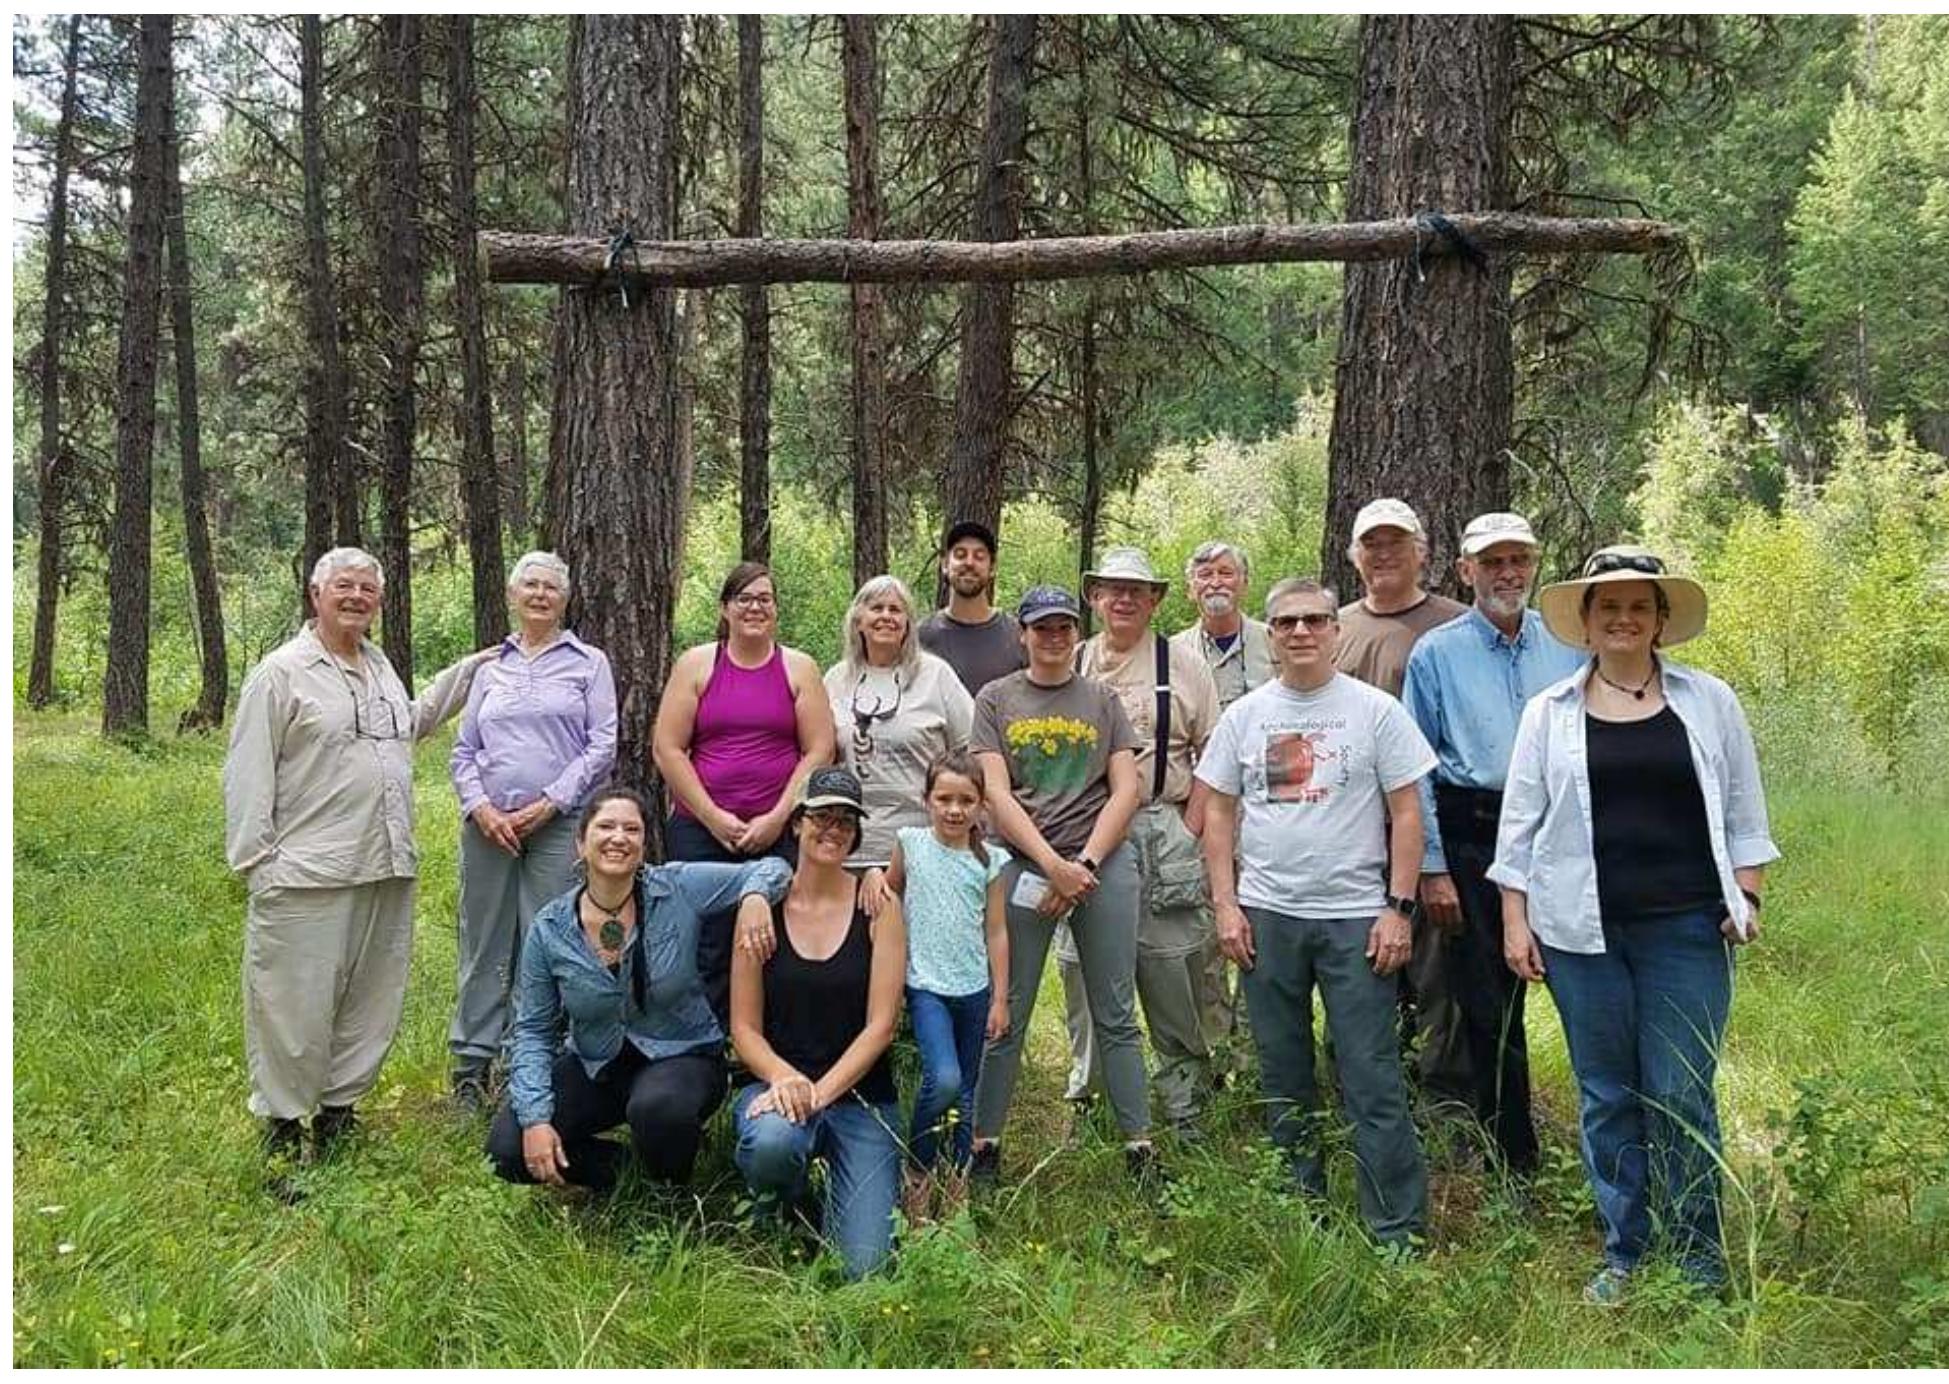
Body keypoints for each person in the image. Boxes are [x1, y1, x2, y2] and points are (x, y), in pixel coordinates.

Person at [1491, 545, 1778, 1303]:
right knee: (1607, 1093)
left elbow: (1746, 809)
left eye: (1638, 606)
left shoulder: (1709, 700)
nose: (1623, 618)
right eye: (1607, 606)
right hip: (1578, 933)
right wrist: (1515, 922)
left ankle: (1696, 1260)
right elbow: (1517, 829)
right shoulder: (1546, 714)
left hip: (1687, 928)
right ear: (1584, 622)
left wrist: (1745, 895)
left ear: (1659, 620)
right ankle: (1626, 1252)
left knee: (1680, 1091)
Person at [223, 546, 493, 1188]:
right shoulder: (282, 674)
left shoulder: (379, 669)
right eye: (343, 586)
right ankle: (285, 1130)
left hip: (384, 863)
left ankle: (340, 1114)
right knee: (292, 1002)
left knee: (371, 999)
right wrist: (258, 862)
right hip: (306, 871)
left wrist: (475, 669)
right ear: (315, 594)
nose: (356, 597)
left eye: (368, 589)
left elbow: (408, 727)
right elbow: (248, 772)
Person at [1196, 577, 1436, 1248]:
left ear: (1335, 630)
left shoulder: (1373, 712)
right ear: (1268, 636)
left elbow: (1407, 811)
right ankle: (1300, 1214)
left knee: (1370, 1075)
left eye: (1313, 621)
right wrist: (1225, 905)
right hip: (1267, 916)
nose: (1300, 632)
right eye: (1285, 623)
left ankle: (1394, 1228)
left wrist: (1398, 908)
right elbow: (1216, 810)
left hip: (1357, 917)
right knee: (1282, 1073)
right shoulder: (1246, 716)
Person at [486, 787, 791, 1193]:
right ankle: (627, 1176)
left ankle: (672, 1186)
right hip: (597, 1062)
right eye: (606, 826)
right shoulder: (550, 928)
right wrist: (537, 1119)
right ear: (581, 842)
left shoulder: (678, 887)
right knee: (507, 1148)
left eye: (632, 829)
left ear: (644, 846)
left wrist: (754, 896)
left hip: (683, 1055)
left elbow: (775, 867)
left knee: (658, 1109)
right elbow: (535, 1031)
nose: (619, 837)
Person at [1400, 513, 1583, 1176]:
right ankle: (1512, 1156)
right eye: (1492, 561)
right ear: (1464, 570)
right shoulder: (1435, 655)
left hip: (1559, 836)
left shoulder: (1568, 645)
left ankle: (1604, 1145)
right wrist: (1432, 868)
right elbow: (1415, 768)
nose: (1507, 573)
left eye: (1519, 560)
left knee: (1581, 987)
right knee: (1485, 1004)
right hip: (1470, 830)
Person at [968, 586, 1161, 1185]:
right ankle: (984, 1147)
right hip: (1025, 865)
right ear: (1022, 635)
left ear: (1076, 634)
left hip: (1100, 866)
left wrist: (1086, 867)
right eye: (1041, 628)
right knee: (1009, 1009)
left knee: (1116, 1011)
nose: (1053, 638)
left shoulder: (1102, 699)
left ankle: (1139, 1148)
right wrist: (1052, 865)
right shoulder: (996, 699)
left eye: (1064, 628)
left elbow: (1126, 788)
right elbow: (995, 792)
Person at [448, 551, 618, 1111]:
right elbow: (464, 750)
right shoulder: (489, 668)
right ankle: (472, 1065)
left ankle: (530, 1060)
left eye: (551, 587)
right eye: (530, 586)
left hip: (558, 824)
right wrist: (481, 807)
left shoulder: (588, 663)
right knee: (484, 941)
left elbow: (602, 744)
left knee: (548, 942)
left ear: (565, 599)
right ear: (513, 596)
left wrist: (551, 803)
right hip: (488, 827)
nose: (540, 595)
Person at [1060, 546, 1221, 1139]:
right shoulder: (1073, 661)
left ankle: (1186, 1109)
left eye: (1136, 590)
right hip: (1083, 833)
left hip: (1161, 826)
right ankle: (1093, 1107)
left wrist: (1191, 826)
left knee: (1171, 967)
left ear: (1154, 599)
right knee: (1084, 972)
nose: (1123, 599)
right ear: (1095, 597)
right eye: (1111, 589)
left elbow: (1216, 756)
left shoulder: (1182, 665)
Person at [729, 768, 907, 1280]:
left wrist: (819, 1093)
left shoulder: (878, 907)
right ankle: (785, 1207)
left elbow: (881, 1026)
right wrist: (787, 1082)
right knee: (772, 1145)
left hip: (863, 1100)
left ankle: (844, 1195)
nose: (833, 830)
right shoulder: (760, 910)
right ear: (797, 824)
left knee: (866, 1270)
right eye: (821, 817)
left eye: (846, 821)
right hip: (777, 1090)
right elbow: (744, 1028)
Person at [1335, 497, 1472, 1127]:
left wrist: (1437, 857)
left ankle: (1446, 1109)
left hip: (1433, 828)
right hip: (1349, 837)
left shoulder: (1455, 626)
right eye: (1373, 545)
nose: (1384, 554)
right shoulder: (1331, 629)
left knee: (1439, 977)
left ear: (1424, 553)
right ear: (1354, 556)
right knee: (1362, 971)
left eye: (1397, 543)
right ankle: (1361, 1100)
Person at [652, 561, 836, 1025]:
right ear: (725, 609)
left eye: (764, 599)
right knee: (706, 938)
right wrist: (713, 816)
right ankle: (704, 1044)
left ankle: (766, 1041)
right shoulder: (696, 664)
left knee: (776, 933)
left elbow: (819, 750)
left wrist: (777, 817)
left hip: (778, 829)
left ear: (775, 609)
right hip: (701, 829)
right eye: (744, 599)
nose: (755, 607)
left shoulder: (798, 668)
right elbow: (668, 748)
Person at [875, 751, 1010, 1215]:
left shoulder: (989, 860)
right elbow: (889, 890)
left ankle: (955, 1183)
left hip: (972, 989)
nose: (955, 810)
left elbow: (996, 930)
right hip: (926, 985)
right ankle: (918, 1166)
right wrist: (874, 878)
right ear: (927, 800)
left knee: (967, 1090)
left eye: (966, 800)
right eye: (944, 798)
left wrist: (999, 998)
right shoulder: (910, 843)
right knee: (945, 1078)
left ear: (981, 806)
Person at [1172, 539, 1277, 1071]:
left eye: (1226, 573)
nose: (1216, 583)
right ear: (1191, 588)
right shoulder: (1172, 653)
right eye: (1205, 575)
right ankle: (1215, 1054)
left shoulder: (1276, 642)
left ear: (1244, 582)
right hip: (1200, 815)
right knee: (1209, 935)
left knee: (1261, 932)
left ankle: (1257, 1054)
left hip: (1268, 815)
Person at [823, 574, 974, 870]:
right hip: (852, 847)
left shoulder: (936, 675)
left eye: (896, 610)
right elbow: (820, 758)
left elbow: (973, 751)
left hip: (925, 847)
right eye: (876, 608)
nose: (886, 617)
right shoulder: (836, 679)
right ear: (858, 620)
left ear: (908, 623)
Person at [917, 520, 1027, 696]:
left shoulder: (1018, 636)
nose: (969, 563)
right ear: (945, 565)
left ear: (992, 568)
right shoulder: (920, 637)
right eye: (960, 555)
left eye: (979, 556)